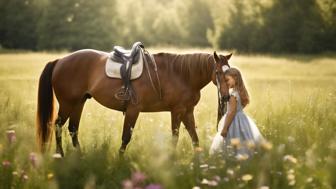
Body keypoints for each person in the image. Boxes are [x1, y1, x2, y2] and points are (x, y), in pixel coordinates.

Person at [209, 67, 264, 157]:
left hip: (233, 121)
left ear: (235, 78)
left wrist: (225, 128)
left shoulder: (233, 95)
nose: (226, 83)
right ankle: (245, 156)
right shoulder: (240, 92)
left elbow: (231, 112)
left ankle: (232, 158)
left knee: (232, 140)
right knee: (244, 139)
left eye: (227, 80)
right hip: (242, 119)